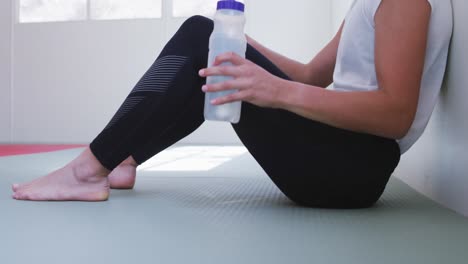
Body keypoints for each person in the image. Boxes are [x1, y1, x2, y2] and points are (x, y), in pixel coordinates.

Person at [11, 0, 452, 208]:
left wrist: (273, 91)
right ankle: (124, 156)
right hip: (339, 155)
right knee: (207, 39)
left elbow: (396, 115)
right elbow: (310, 76)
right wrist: (233, 45)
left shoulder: (406, 1)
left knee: (202, 39)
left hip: (350, 168)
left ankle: (88, 168)